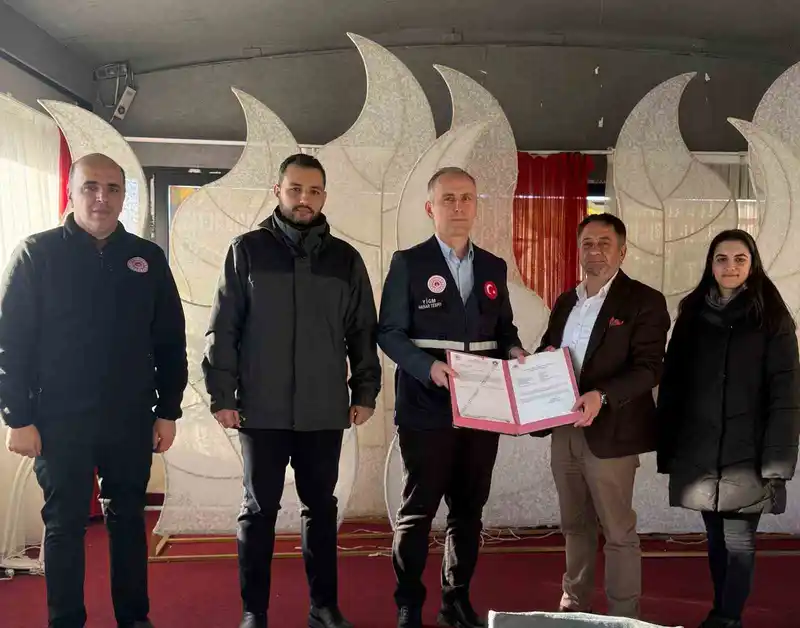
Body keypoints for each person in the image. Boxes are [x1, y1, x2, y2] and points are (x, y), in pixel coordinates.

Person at [0, 153, 188, 628]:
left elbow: (169, 341)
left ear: (124, 197)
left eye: (113, 188)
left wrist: (168, 410)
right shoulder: (37, 254)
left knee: (128, 521)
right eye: (90, 187)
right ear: (71, 192)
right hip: (58, 420)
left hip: (129, 418)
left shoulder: (147, 259)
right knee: (64, 525)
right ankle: (65, 621)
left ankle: (134, 618)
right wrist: (17, 416)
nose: (102, 197)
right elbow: (10, 342)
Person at [203, 153, 381, 628]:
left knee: (320, 508)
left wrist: (365, 390)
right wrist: (222, 394)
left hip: (323, 408)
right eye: (296, 189)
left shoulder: (345, 259)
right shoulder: (247, 251)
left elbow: (363, 330)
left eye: (314, 191)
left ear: (324, 196)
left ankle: (323, 607)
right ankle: (253, 612)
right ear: (277, 191)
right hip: (260, 407)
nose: (305, 199)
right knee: (258, 511)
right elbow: (224, 328)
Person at [378, 167, 526, 628]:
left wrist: (516, 351)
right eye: (448, 199)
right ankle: (408, 604)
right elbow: (389, 332)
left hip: (483, 405)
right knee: (418, 511)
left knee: (468, 510)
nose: (458, 206)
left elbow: (504, 330)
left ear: (476, 205)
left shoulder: (494, 267)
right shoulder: (408, 263)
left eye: (466, 198)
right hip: (426, 406)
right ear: (431, 208)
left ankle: (455, 601)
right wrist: (427, 367)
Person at [657, 230, 800, 628]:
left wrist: (777, 463)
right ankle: (724, 611)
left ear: (752, 265)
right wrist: (669, 447)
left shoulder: (772, 316)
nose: (730, 267)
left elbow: (786, 393)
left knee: (739, 541)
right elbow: (673, 385)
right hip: (700, 451)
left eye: (740, 259)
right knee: (716, 540)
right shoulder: (692, 315)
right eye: (721, 259)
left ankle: (726, 616)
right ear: (711, 264)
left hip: (748, 452)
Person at [535, 213, 670, 618]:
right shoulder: (566, 301)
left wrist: (603, 396)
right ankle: (574, 603)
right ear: (578, 250)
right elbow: (549, 348)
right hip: (565, 429)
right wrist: (537, 363)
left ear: (622, 251)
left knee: (617, 530)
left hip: (612, 433)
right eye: (588, 243)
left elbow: (650, 368)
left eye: (604, 243)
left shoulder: (644, 301)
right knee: (574, 524)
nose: (595, 251)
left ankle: (623, 614)